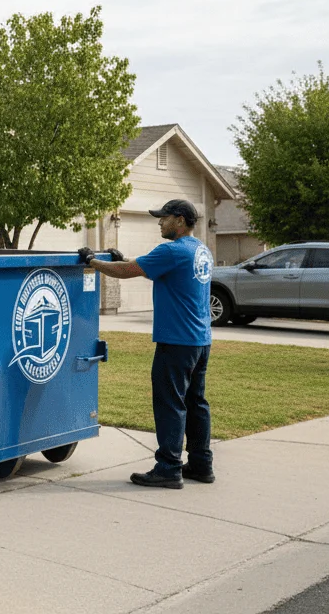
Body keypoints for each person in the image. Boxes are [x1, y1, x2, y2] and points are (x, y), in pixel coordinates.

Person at [80, 198, 215, 489]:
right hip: (200, 340)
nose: (159, 222)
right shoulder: (200, 250)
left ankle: (168, 468)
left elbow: (127, 272)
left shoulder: (172, 249)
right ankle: (202, 464)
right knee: (196, 403)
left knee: (170, 404)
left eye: (163, 218)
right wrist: (121, 257)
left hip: (176, 341)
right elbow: (145, 265)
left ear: (179, 220)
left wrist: (92, 261)